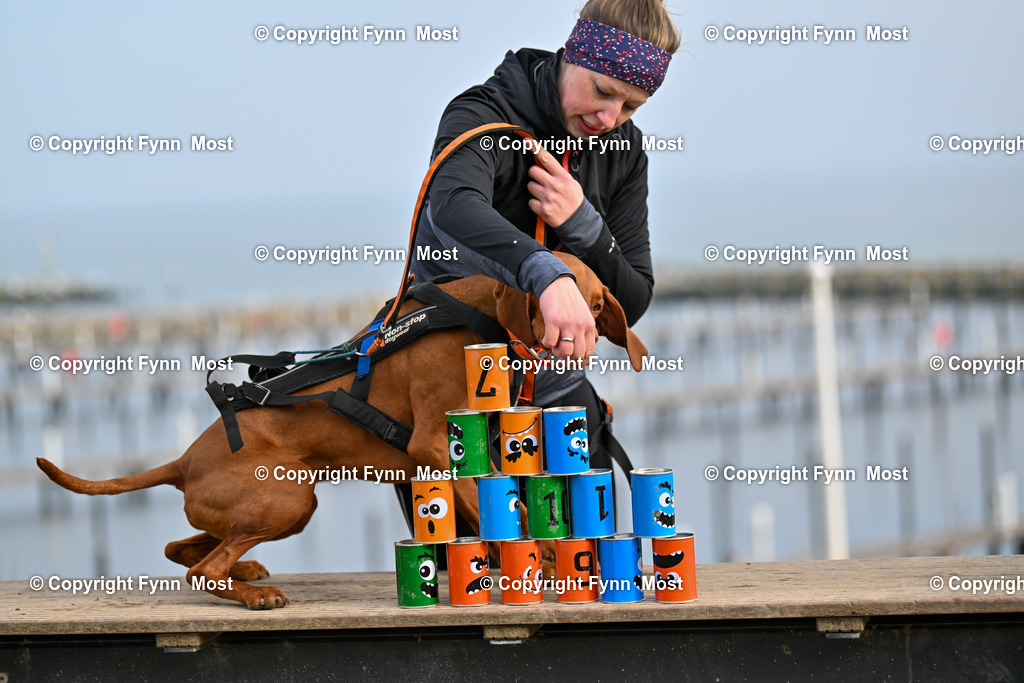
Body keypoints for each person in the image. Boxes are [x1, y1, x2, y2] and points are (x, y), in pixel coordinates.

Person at [399, 0, 681, 540]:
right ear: (573, 54)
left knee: (588, 570)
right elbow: (452, 204)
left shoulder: (623, 149)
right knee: (461, 585)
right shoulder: (481, 114)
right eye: (601, 91)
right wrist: (546, 273)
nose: (608, 120)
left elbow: (635, 297)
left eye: (631, 107)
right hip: (451, 374)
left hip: (551, 379)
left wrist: (584, 224)